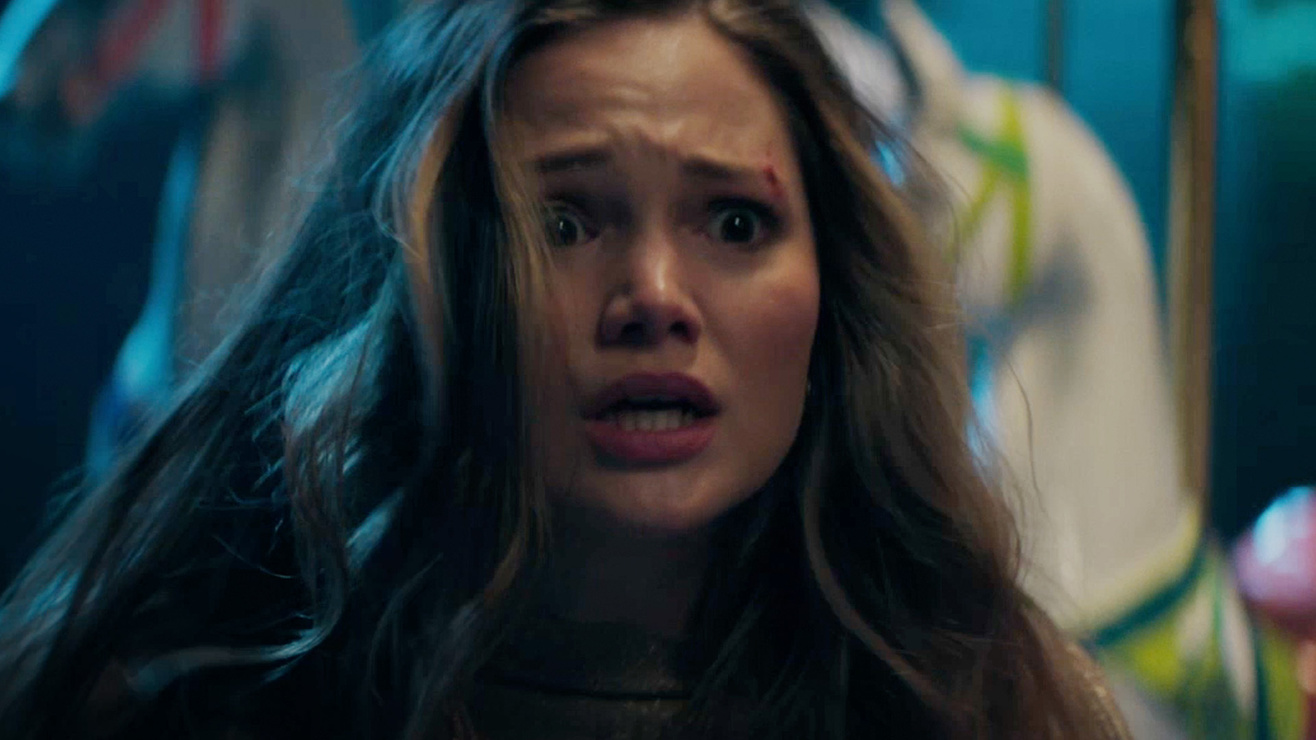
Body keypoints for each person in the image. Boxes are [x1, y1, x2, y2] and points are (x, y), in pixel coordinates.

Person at [0, 1, 1130, 738]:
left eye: (734, 223)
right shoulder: (201, 705)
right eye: (566, 223)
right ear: (434, 267)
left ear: (834, 283)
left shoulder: (984, 707)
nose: (654, 296)